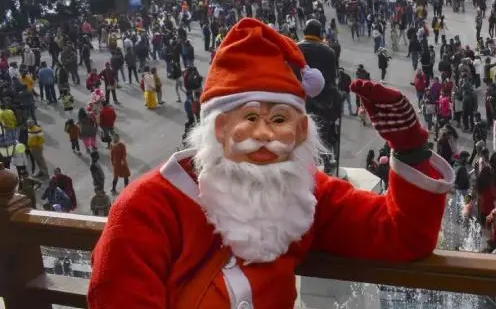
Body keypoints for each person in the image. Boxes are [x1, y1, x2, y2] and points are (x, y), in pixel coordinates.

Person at [87, 18, 454, 307]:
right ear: (218, 127)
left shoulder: (305, 194)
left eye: (279, 119)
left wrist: (410, 148)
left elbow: (400, 236)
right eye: (248, 117)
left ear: (300, 131)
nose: (264, 134)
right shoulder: (149, 208)